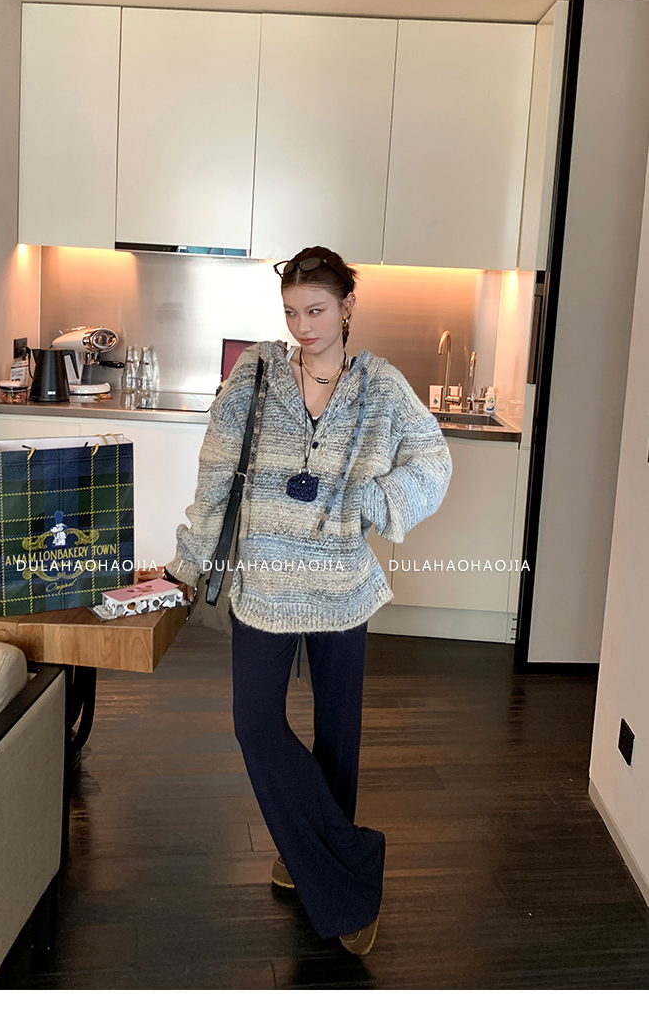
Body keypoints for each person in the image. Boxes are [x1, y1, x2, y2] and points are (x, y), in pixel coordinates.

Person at [143, 246, 453, 955]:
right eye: (291, 312)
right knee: (255, 723)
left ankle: (307, 856)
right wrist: (187, 565)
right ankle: (346, 859)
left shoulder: (380, 386)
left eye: (316, 310)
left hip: (343, 587)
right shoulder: (254, 376)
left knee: (338, 738)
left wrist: (377, 500)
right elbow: (215, 476)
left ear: (347, 307)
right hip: (264, 585)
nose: (303, 326)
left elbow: (433, 460)